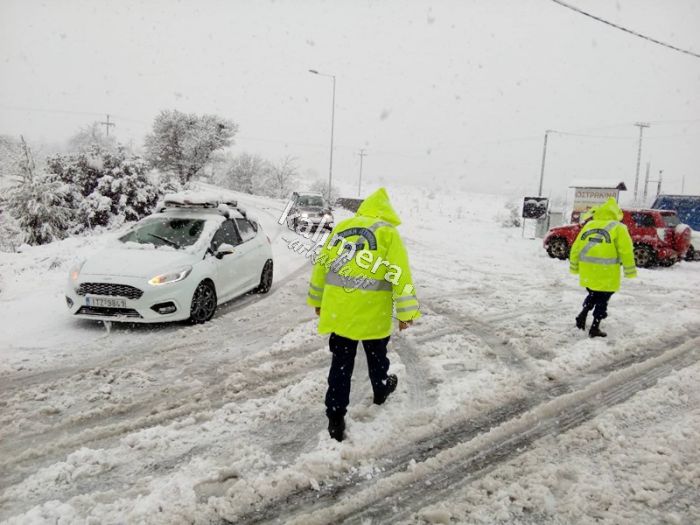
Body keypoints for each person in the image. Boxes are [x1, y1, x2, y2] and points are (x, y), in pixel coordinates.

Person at [306, 188, 421, 441]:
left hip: (341, 313)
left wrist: (318, 300)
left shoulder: (342, 228)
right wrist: (406, 312)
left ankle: (335, 417)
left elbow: (321, 265)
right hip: (373, 312)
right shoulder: (388, 233)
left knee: (341, 364)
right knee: (377, 357)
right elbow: (400, 274)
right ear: (387, 211)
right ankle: (381, 389)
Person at [569, 198, 637, 338]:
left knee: (593, 293)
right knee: (602, 298)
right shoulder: (619, 228)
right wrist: (630, 271)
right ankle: (595, 327)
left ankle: (582, 315)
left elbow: (576, 247)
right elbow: (626, 250)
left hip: (588, 270)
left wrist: (574, 267)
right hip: (607, 271)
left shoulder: (590, 225)